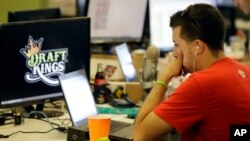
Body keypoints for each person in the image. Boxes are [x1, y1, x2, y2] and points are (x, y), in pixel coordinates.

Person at [133, 3, 250, 141]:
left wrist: (165, 75)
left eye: (177, 44)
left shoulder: (200, 84)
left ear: (197, 47)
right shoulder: (244, 70)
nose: (174, 53)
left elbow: (140, 135)